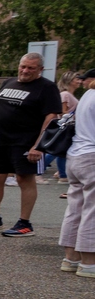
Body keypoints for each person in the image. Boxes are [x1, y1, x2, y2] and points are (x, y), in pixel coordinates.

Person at [0, 52, 63, 236]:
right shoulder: (9, 82)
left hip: (25, 143)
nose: (25, 70)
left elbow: (51, 118)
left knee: (24, 179)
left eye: (31, 68)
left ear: (40, 69)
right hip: (0, 141)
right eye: (23, 66)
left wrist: (38, 146)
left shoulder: (47, 87)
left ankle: (25, 223)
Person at [57, 68, 95, 276]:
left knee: (75, 208)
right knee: (92, 210)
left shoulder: (87, 95)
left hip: (75, 154)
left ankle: (70, 258)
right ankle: (89, 262)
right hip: (91, 155)